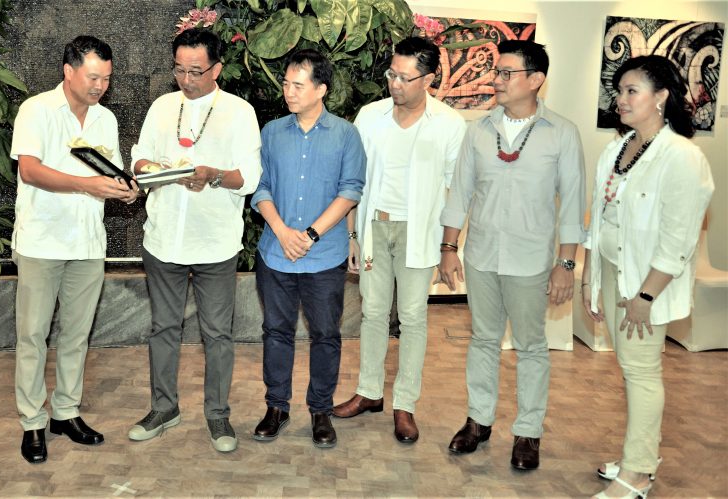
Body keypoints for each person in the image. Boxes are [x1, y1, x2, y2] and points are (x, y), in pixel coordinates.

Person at [438, 40, 586, 470]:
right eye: (496, 72)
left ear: (536, 80)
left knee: (531, 346)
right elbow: (459, 193)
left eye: (506, 73)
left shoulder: (562, 133)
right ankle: (478, 421)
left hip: (531, 260)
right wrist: (449, 248)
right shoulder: (479, 130)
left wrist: (566, 264)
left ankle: (528, 432)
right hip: (481, 255)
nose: (496, 80)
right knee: (483, 340)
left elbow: (573, 204)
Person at [583, 55, 714, 499]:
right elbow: (599, 218)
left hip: (645, 284)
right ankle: (639, 456)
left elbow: (678, 239)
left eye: (631, 91)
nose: (620, 99)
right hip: (613, 272)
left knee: (641, 372)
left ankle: (638, 473)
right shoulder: (617, 148)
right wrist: (589, 278)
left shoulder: (682, 157)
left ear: (660, 97)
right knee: (630, 370)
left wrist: (645, 296)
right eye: (618, 91)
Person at [127, 28, 261, 454]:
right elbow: (139, 158)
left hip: (215, 243)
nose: (186, 80)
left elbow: (249, 178)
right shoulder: (162, 107)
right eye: (180, 70)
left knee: (217, 333)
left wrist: (212, 175)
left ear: (217, 69)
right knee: (163, 328)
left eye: (196, 71)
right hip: (164, 237)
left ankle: (218, 414)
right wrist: (150, 168)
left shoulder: (239, 112)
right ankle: (163, 408)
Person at [332, 36, 467, 444]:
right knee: (372, 313)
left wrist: (448, 248)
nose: (395, 84)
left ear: (428, 79)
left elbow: (457, 193)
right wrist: (352, 234)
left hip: (419, 233)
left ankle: (405, 404)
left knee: (412, 317)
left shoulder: (449, 124)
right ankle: (369, 392)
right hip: (374, 227)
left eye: (405, 78)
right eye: (392, 74)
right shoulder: (370, 116)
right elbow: (352, 181)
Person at [11, 35, 138, 464]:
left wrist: (125, 189)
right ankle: (32, 421)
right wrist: (88, 185)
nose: (100, 85)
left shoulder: (105, 119)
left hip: (87, 242)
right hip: (42, 240)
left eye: (107, 78)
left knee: (76, 335)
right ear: (68, 71)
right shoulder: (37, 110)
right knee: (33, 335)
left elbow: (109, 173)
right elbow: (30, 171)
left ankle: (65, 412)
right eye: (93, 77)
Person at [251, 49, 365, 449]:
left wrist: (311, 234)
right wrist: (282, 231)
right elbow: (260, 187)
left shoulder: (345, 135)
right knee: (276, 332)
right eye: (286, 83)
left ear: (321, 89)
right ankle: (276, 407)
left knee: (326, 335)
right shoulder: (271, 132)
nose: (289, 92)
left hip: (324, 256)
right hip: (276, 252)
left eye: (298, 85)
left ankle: (320, 410)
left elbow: (350, 190)